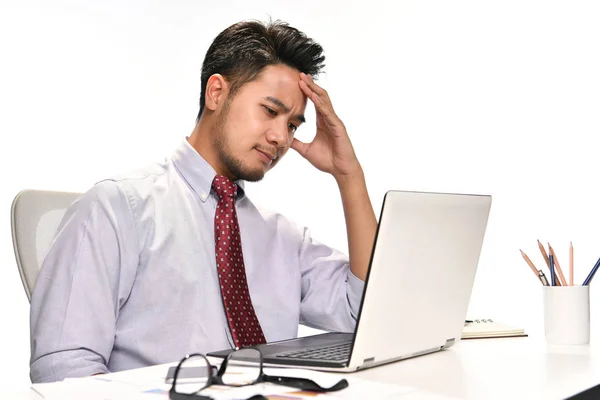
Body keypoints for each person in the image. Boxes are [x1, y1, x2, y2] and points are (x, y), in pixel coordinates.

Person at [29, 19, 377, 383]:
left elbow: (362, 314)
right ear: (216, 93)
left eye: (293, 125)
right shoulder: (117, 208)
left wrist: (348, 175)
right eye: (271, 111)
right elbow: (63, 369)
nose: (280, 137)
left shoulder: (282, 238)